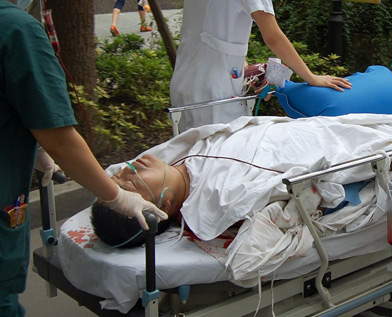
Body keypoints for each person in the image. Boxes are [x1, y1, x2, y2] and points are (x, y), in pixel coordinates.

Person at [0, 2, 167, 315]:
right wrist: (117, 196)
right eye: (124, 180)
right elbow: (61, 139)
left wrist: (31, 145)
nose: (127, 169)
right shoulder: (13, 28)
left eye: (125, 181)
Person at [169, 0, 353, 133]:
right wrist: (311, 77)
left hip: (186, 81)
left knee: (189, 159)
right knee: (215, 162)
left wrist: (247, 71)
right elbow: (272, 36)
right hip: (213, 91)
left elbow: (211, 33)